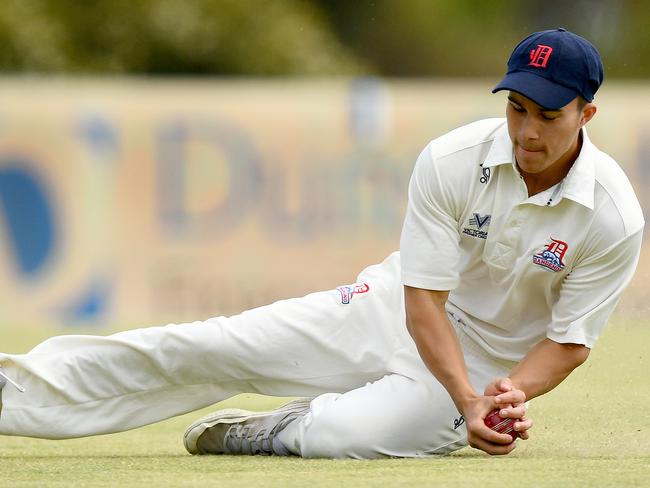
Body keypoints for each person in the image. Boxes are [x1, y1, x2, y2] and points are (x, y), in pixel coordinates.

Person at [0, 28, 643, 459]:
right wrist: (469, 397)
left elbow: (567, 342)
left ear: (586, 113)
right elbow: (422, 300)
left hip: (481, 370)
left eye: (549, 115)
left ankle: (267, 432)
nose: (527, 131)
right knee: (214, 345)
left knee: (344, 435)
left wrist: (502, 397)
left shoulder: (614, 217)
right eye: (517, 109)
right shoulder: (452, 159)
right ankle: (12, 390)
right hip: (391, 308)